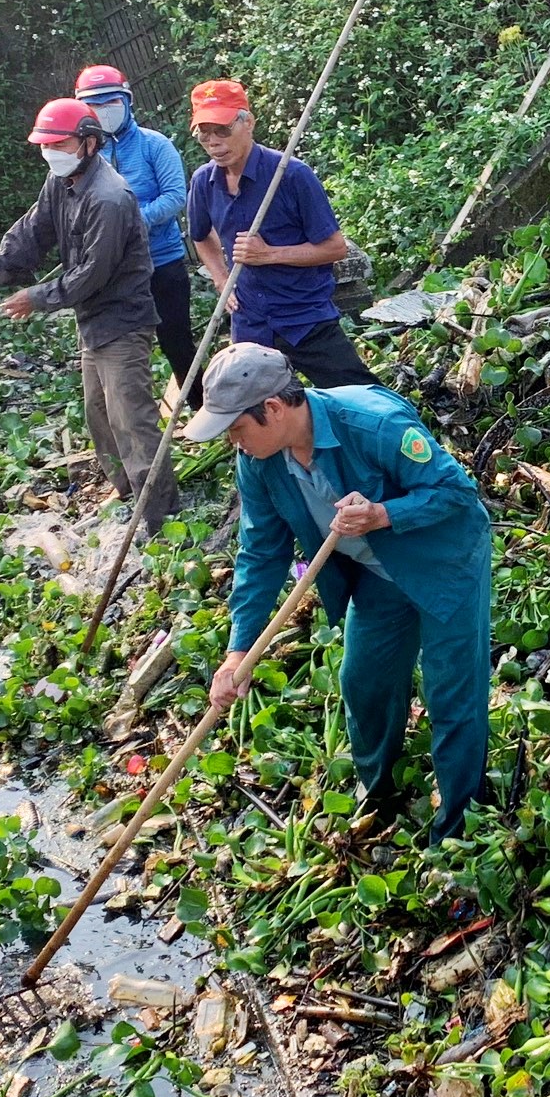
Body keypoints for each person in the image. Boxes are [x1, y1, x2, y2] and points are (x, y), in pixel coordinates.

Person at [188, 343, 493, 837]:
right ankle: (378, 796)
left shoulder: (372, 424)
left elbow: (456, 492)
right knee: (364, 683)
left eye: (236, 429)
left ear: (273, 408)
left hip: (444, 564)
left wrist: (383, 514)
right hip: (375, 575)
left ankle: (458, 828)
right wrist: (237, 651)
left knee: (451, 693)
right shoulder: (259, 461)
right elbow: (261, 554)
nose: (233, 443)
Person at [0, 98, 174, 524]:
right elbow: (31, 233)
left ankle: (159, 515)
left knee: (132, 419)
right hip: (92, 321)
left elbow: (92, 274)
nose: (51, 153)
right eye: (45, 145)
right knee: (99, 414)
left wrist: (37, 297)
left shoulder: (109, 198)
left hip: (122, 321)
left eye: (59, 144)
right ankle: (128, 494)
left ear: (89, 143)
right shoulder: (60, 181)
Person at [184, 78, 379, 389]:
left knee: (361, 397)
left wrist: (269, 254)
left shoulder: (291, 175)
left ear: (248, 123)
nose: (213, 142)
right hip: (250, 323)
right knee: (258, 411)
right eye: (204, 133)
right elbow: (200, 235)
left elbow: (335, 248)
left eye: (222, 130)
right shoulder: (203, 182)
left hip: (304, 317)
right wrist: (221, 279)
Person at [73, 62, 194, 392]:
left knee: (177, 342)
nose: (104, 110)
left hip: (162, 262)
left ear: (127, 101)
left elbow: (175, 196)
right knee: (118, 349)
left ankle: (199, 404)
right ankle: (134, 413)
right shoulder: (83, 156)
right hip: (111, 271)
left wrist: (133, 220)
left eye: (111, 102)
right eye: (94, 105)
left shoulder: (155, 145)